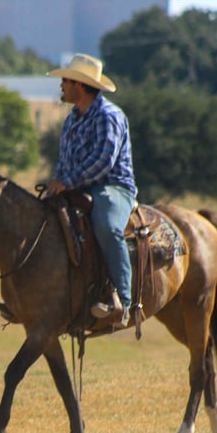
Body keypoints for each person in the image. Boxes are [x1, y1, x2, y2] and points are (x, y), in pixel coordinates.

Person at [46, 53, 138, 326]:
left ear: (80, 85)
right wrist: (55, 183)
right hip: (77, 187)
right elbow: (63, 160)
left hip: (113, 186)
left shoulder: (109, 116)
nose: (61, 85)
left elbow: (103, 161)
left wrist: (68, 181)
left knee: (107, 226)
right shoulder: (72, 119)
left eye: (66, 80)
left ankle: (123, 300)